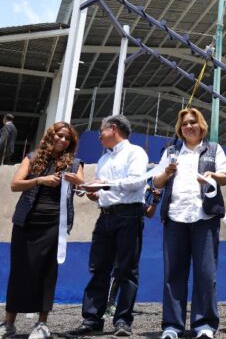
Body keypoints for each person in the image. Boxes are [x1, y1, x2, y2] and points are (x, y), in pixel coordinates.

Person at [66, 115, 148, 338]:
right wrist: (89, 191)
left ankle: (122, 320)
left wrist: (104, 184)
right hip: (105, 216)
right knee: (98, 268)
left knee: (127, 270)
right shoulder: (103, 160)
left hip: (129, 215)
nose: (100, 135)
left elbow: (138, 182)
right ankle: (92, 319)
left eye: (101, 131)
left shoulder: (136, 153)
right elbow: (102, 193)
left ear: (113, 129)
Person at [0, 122, 83, 339]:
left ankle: (42, 324)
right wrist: (40, 180)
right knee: (20, 270)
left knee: (47, 272)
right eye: (59, 135)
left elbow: (82, 188)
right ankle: (9, 323)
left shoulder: (74, 163)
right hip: (27, 221)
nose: (62, 140)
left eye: (67, 138)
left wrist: (79, 184)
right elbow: (15, 184)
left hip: (55, 223)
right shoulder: (33, 157)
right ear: (51, 135)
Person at [152, 108, 226, 339]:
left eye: (193, 123)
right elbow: (156, 181)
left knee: (205, 273)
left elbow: (225, 176)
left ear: (201, 126)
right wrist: (166, 172)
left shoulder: (214, 149)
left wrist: (213, 176)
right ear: (180, 129)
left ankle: (204, 325)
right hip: (176, 217)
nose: (189, 127)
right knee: (173, 274)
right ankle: (172, 326)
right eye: (184, 124)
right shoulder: (171, 151)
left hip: (204, 218)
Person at [106, 176, 162, 318]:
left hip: (136, 232)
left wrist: (155, 200)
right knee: (117, 268)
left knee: (130, 269)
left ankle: (124, 306)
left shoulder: (139, 200)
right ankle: (108, 305)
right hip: (120, 229)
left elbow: (149, 213)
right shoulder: (125, 195)